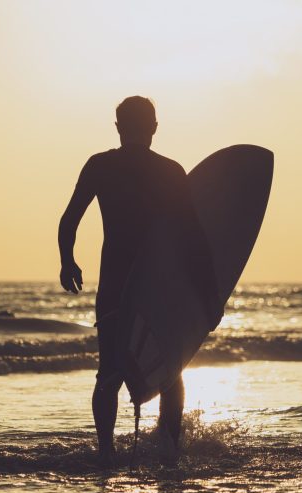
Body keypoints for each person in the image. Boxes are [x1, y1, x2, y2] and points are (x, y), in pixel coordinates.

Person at [58, 96, 222, 466]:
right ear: (154, 126)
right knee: (171, 371)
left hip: (116, 281)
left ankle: (105, 452)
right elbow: (193, 239)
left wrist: (67, 261)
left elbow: (69, 219)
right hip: (161, 285)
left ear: (118, 127)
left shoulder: (100, 166)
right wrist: (210, 295)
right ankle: (169, 450)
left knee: (110, 371)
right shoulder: (170, 171)